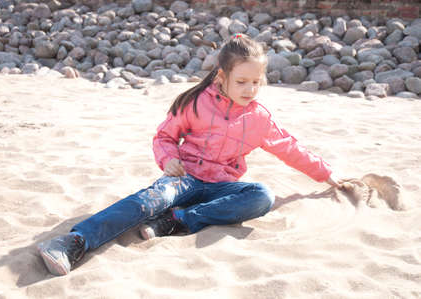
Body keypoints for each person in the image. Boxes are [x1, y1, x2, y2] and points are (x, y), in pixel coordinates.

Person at [37, 34, 345, 276]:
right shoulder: (196, 102)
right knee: (148, 201)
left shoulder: (259, 118)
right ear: (222, 76)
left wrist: (326, 174)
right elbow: (165, 136)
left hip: (220, 188)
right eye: (242, 82)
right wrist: (168, 159)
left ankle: (177, 221)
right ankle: (75, 241)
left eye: (256, 82)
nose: (250, 89)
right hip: (183, 179)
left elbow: (290, 148)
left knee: (262, 195)